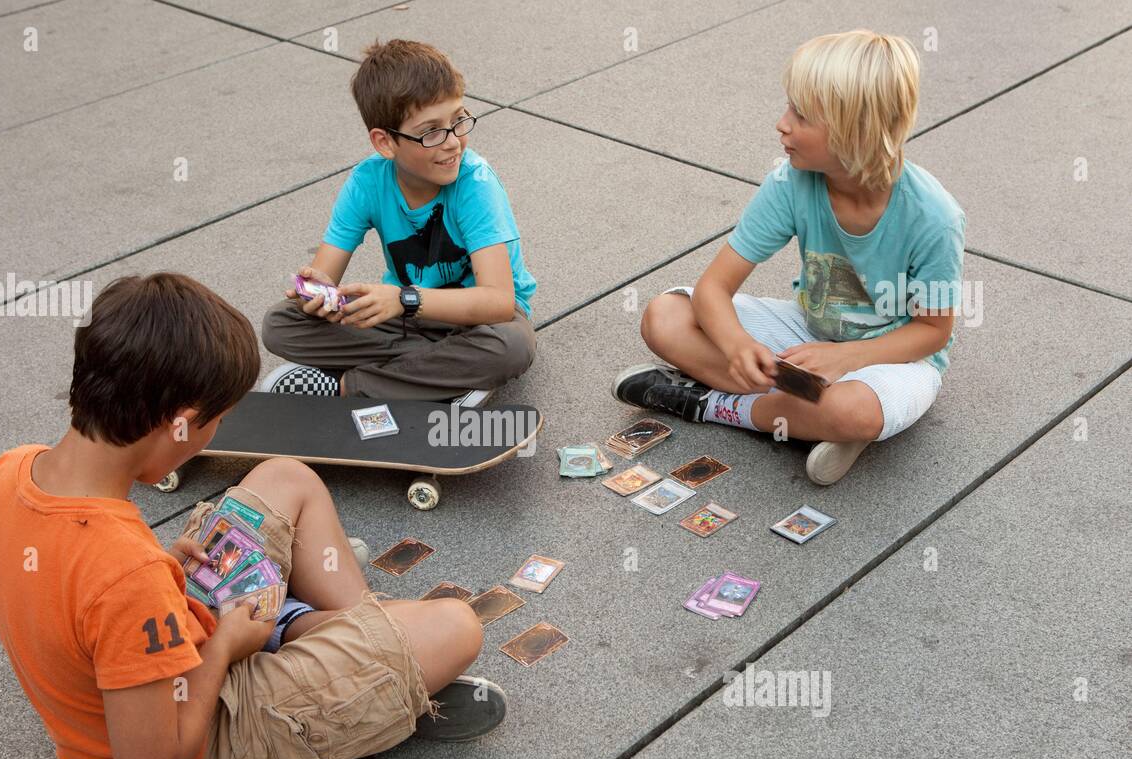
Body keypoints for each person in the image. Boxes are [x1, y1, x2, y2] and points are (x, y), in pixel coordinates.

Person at [0, 272, 505, 759]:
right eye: (215, 425)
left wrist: (162, 567)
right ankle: (378, 675)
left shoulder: (7, 470)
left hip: (171, 638)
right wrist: (221, 646)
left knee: (287, 477)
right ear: (181, 426)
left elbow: (66, 581)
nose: (215, 437)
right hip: (201, 743)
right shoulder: (129, 580)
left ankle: (355, 649)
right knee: (457, 626)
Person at [613, 30, 965, 485]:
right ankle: (804, 417)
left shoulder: (934, 217)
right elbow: (713, 290)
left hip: (894, 359)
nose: (782, 123)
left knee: (853, 410)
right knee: (664, 316)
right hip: (808, 332)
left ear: (854, 131)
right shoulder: (791, 182)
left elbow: (933, 332)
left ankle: (711, 405)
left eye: (800, 114)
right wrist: (738, 347)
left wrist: (848, 360)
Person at [261, 39, 537, 407]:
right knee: (281, 324)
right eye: (431, 132)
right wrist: (317, 293)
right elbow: (325, 274)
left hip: (479, 322)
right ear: (385, 143)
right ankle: (440, 376)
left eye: (458, 120)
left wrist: (405, 299)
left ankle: (349, 388)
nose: (453, 142)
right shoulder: (367, 183)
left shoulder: (476, 182)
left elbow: (499, 302)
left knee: (511, 348)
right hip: (408, 318)